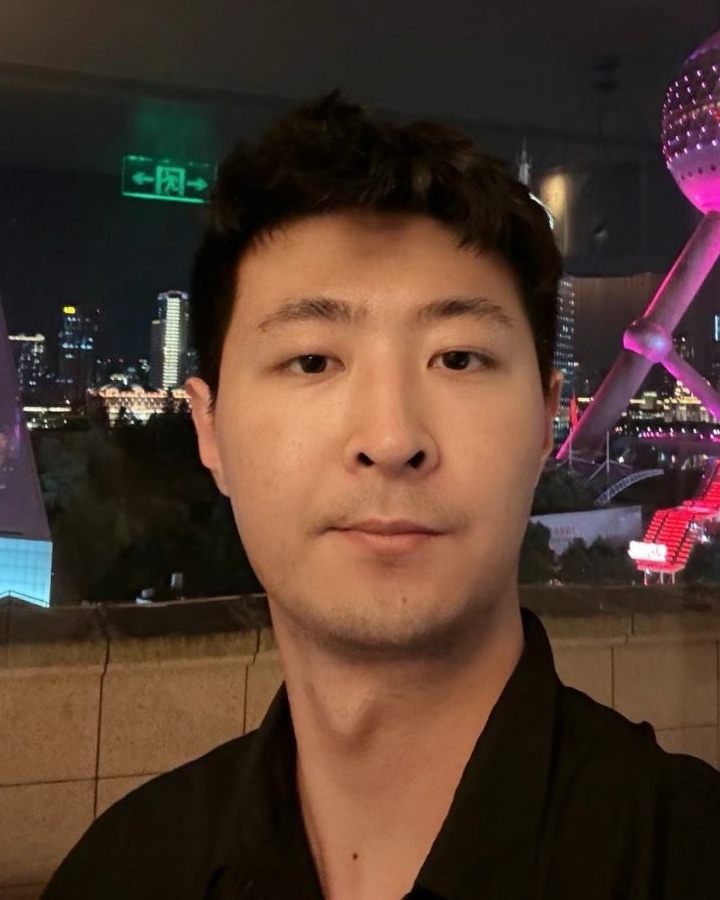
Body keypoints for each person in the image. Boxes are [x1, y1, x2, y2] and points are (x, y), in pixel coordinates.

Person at [41, 92, 720, 900]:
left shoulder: (684, 857)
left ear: (547, 422)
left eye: (459, 359)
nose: (392, 437)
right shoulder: (122, 873)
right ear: (209, 428)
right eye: (312, 361)